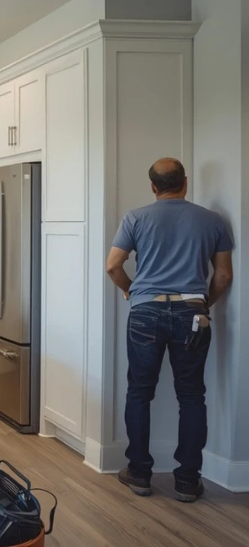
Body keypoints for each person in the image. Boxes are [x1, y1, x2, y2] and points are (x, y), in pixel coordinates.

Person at [105, 158, 233, 502]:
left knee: (139, 392)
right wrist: (205, 302)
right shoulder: (213, 221)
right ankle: (188, 481)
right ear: (185, 183)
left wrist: (132, 290)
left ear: (153, 187)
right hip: (193, 312)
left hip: (146, 310)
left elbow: (112, 266)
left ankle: (140, 474)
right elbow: (222, 276)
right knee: (191, 395)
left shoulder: (136, 217)